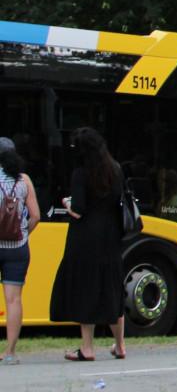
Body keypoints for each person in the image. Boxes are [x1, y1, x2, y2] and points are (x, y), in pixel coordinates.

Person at [49, 127, 129, 361]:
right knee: (112, 290)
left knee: (87, 289)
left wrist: (67, 203)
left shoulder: (81, 173)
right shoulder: (116, 169)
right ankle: (120, 346)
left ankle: (87, 348)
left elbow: (79, 209)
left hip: (85, 238)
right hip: (111, 236)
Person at [0, 136, 41, 365]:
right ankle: (10, 353)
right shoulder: (23, 180)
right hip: (17, 249)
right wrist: (23, 234)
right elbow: (35, 216)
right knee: (13, 300)